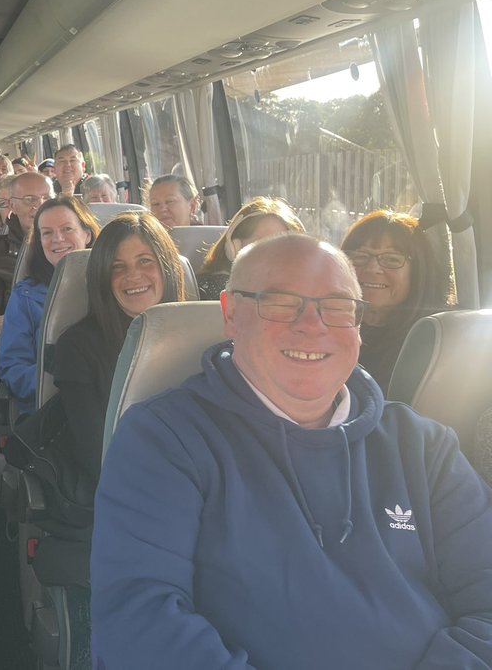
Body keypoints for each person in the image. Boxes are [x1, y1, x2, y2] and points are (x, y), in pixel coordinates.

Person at [90, 234, 492, 669]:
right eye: (280, 302)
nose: (312, 325)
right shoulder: (165, 438)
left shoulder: (423, 445)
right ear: (230, 314)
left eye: (337, 306)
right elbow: (141, 625)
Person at [53, 211, 185, 483]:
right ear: (102, 277)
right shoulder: (77, 347)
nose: (133, 276)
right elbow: (97, 455)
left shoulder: (198, 338)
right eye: (117, 267)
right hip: (126, 489)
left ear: (167, 268)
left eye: (145, 261)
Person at [0, 197, 98, 413]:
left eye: (67, 228)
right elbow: (13, 366)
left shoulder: (114, 286)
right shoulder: (25, 296)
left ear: (87, 234)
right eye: (47, 233)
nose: (57, 239)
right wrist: (65, 386)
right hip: (50, 409)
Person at [341, 210, 451, 392]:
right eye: (360, 256)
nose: (373, 268)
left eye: (391, 259)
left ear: (418, 271)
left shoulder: (435, 342)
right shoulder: (324, 326)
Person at [0, 171, 52, 335]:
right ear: (13, 206)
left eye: (47, 199)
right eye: (30, 199)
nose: (39, 206)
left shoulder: (73, 243)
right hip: (22, 336)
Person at [197, 196, 304, 300]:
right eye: (259, 243)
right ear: (234, 247)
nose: (270, 253)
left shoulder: (308, 292)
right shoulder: (208, 290)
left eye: (280, 245)